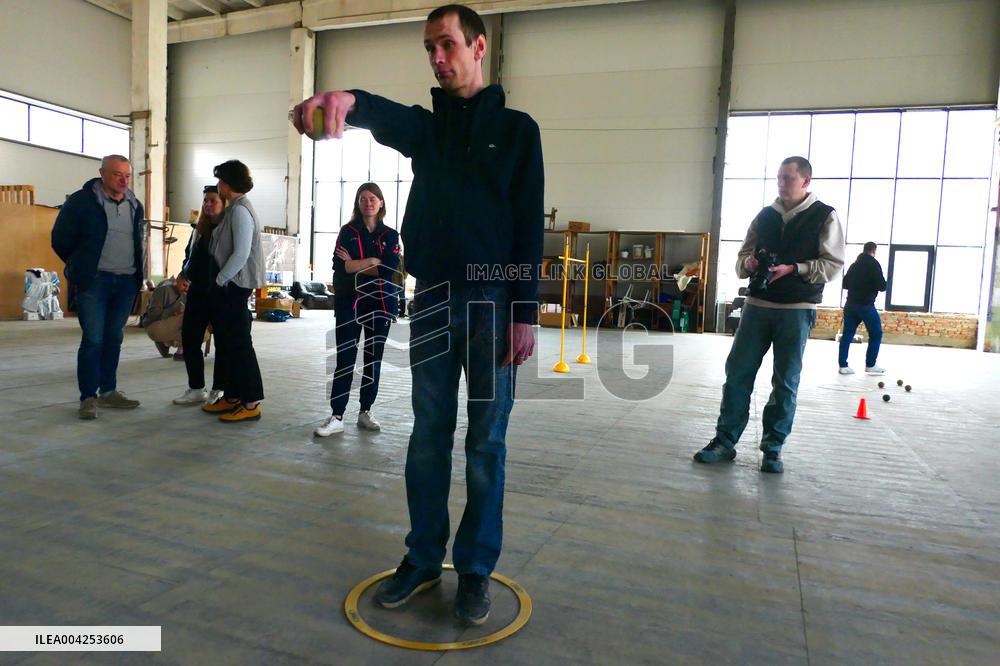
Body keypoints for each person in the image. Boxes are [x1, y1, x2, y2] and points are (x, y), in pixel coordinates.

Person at [292, 3, 544, 625]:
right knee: (428, 438)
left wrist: (524, 313)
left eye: (448, 45)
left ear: (479, 48)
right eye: (430, 47)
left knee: (486, 444)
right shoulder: (429, 130)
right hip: (431, 297)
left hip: (492, 305)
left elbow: (525, 227)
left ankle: (477, 570)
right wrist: (344, 100)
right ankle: (424, 558)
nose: (438, 57)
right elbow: (383, 113)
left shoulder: (517, 131)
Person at [693, 156, 844, 474]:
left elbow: (832, 266)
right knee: (737, 375)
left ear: (806, 181)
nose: (781, 183)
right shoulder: (764, 216)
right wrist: (748, 264)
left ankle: (773, 449)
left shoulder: (824, 217)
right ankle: (724, 442)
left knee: (786, 382)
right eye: (778, 177)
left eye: (788, 178)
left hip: (797, 310)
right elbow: (741, 258)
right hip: (757, 307)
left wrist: (796, 269)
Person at [52, 155, 146, 420]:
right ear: (102, 173)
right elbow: (60, 239)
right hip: (94, 281)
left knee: (114, 337)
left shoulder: (135, 206)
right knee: (93, 339)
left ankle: (109, 391)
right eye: (117, 174)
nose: (124, 180)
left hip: (126, 281)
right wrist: (80, 266)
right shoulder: (81, 202)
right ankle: (88, 397)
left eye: (127, 175)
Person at [315, 183, 400, 437]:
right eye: (363, 199)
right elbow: (340, 268)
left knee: (373, 360)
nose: (368, 203)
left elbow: (390, 269)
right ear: (357, 203)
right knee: (345, 358)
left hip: (381, 303)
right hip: (349, 302)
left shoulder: (391, 235)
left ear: (381, 203)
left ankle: (366, 411)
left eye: (373, 198)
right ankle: (337, 415)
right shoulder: (348, 232)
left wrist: (355, 264)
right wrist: (373, 261)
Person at [200, 160, 266, 423]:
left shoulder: (240, 212)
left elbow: (241, 253)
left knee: (239, 345)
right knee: (226, 344)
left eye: (220, 181)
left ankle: (250, 403)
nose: (218, 186)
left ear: (227, 184)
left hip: (234, 286)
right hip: (228, 285)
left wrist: (220, 279)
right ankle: (232, 397)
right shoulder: (234, 208)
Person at [174, 185, 227, 406]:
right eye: (205, 200)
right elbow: (190, 257)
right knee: (190, 339)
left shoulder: (227, 229)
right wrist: (182, 274)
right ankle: (196, 387)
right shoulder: (199, 230)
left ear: (224, 204)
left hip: (220, 292)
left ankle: (219, 389)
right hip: (197, 292)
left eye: (212, 200)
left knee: (223, 343)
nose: (207, 204)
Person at [838, 241, 887, 375]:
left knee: (847, 335)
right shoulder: (874, 264)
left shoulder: (854, 265)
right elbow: (882, 286)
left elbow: (845, 284)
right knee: (876, 333)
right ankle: (870, 365)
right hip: (866, 305)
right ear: (874, 251)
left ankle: (843, 366)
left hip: (850, 304)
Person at [142, 273, 189, 360]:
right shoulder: (163, 289)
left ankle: (169, 343)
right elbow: (153, 315)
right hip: (155, 325)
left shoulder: (187, 293)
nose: (186, 289)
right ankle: (166, 341)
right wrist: (174, 312)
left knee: (204, 334)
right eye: (184, 285)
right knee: (187, 316)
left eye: (189, 287)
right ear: (178, 279)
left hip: (173, 326)